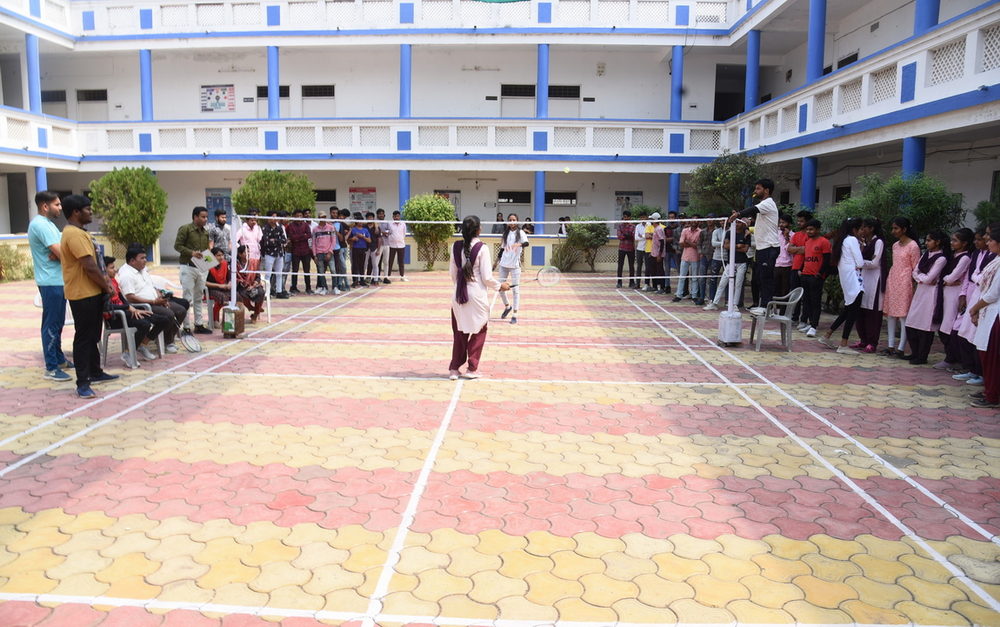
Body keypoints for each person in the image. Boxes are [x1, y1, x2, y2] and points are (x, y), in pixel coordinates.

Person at [58, 194, 118, 399]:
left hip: (93, 291)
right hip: (82, 294)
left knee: (93, 336)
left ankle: (95, 371)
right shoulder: (73, 234)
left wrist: (104, 284)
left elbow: (96, 264)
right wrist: (107, 286)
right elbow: (89, 266)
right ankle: (83, 383)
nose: (91, 212)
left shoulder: (82, 233)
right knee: (84, 337)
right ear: (76, 212)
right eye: (87, 209)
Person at [448, 216, 510, 380]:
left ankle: (454, 369)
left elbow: (452, 274)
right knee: (479, 330)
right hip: (476, 294)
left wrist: (460, 286)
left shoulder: (455, 246)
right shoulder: (482, 248)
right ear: (478, 230)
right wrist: (501, 286)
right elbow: (487, 278)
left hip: (458, 294)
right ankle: (472, 368)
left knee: (459, 331)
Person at [28, 190, 72, 381]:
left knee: (58, 322)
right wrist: (61, 253)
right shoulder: (40, 225)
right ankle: (52, 368)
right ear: (45, 206)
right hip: (50, 282)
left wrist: (61, 253)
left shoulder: (50, 224)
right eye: (57, 204)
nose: (60, 208)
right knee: (51, 324)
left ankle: (59, 359)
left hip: (58, 281)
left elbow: (63, 250)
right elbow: (63, 253)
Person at [117, 246, 190, 354]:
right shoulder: (127, 275)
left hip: (155, 301)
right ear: (132, 261)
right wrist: (154, 302)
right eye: (142, 258)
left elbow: (151, 287)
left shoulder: (143, 271)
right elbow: (130, 297)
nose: (145, 260)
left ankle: (167, 340)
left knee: (181, 310)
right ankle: (150, 341)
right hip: (143, 306)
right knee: (169, 314)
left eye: (145, 257)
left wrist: (160, 297)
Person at [104, 255, 164, 366]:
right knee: (144, 324)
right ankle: (128, 353)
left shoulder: (113, 281)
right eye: (112, 268)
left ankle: (142, 344)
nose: (115, 270)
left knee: (162, 320)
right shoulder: (102, 285)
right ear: (104, 270)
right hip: (115, 318)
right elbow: (106, 307)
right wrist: (127, 308)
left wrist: (133, 308)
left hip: (126, 313)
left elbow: (122, 298)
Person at [732, 178, 779, 314]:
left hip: (769, 247)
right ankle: (763, 305)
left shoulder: (768, 203)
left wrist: (738, 214)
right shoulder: (764, 205)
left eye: (758, 188)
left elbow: (753, 209)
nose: (755, 191)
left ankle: (766, 307)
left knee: (766, 278)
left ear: (766, 190)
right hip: (762, 248)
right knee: (760, 278)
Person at [904, 230, 951, 365]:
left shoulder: (941, 258)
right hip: (921, 291)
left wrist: (921, 278)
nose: (926, 243)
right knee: (911, 323)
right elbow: (915, 272)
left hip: (931, 294)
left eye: (929, 240)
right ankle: (914, 352)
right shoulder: (925, 254)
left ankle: (922, 356)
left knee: (925, 326)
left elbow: (931, 278)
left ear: (938, 242)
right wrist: (922, 278)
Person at [818, 218, 865, 354]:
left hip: (847, 279)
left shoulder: (842, 240)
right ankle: (843, 344)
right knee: (852, 313)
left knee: (847, 310)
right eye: (861, 229)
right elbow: (860, 263)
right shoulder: (852, 240)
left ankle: (827, 335)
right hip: (854, 281)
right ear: (854, 229)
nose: (862, 231)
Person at [954, 229, 994, 385]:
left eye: (982, 238)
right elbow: (971, 276)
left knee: (977, 337)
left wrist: (975, 277)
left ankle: (980, 373)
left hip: (982, 297)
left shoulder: (993, 257)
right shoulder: (976, 254)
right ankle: (971, 369)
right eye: (976, 239)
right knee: (964, 333)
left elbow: (981, 277)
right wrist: (963, 294)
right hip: (972, 294)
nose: (978, 241)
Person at [967, 224, 1000, 408]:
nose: (988, 243)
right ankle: (990, 389)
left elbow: (993, 294)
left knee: (992, 356)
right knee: (985, 353)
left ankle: (993, 395)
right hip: (988, 311)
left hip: (995, 313)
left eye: (991, 240)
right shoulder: (996, 259)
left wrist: (975, 308)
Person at [934, 228, 974, 370]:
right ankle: (951, 357)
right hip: (946, 292)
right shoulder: (952, 255)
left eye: (955, 240)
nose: (952, 243)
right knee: (943, 325)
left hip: (955, 294)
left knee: (949, 326)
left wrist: (945, 280)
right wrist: (946, 280)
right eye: (951, 240)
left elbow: (951, 277)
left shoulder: (965, 258)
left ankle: (952, 358)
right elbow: (946, 277)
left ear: (964, 243)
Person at [881, 217, 921, 357]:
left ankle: (901, 347)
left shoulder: (913, 246)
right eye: (893, 228)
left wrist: (914, 284)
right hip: (893, 280)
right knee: (891, 314)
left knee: (903, 315)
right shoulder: (895, 245)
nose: (893, 231)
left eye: (896, 228)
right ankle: (890, 345)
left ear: (904, 229)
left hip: (905, 282)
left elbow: (916, 267)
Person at [174, 206, 212, 334]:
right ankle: (186, 327)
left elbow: (206, 250)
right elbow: (177, 246)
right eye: (203, 217)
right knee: (187, 298)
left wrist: (209, 261)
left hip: (201, 267)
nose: (205, 219)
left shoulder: (205, 232)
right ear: (195, 217)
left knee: (199, 297)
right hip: (188, 266)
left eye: (206, 217)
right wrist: (192, 253)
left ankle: (199, 324)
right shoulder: (186, 229)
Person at [855, 217, 888, 353]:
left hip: (875, 279)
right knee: (861, 309)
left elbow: (875, 263)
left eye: (864, 227)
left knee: (872, 312)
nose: (862, 230)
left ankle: (872, 342)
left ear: (871, 228)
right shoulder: (865, 242)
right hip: (864, 278)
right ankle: (863, 339)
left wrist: (859, 262)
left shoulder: (878, 242)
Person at [703, 219, 750, 312]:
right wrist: (737, 246)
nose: (737, 224)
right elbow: (726, 246)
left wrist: (733, 247)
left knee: (738, 284)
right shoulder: (729, 233)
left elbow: (745, 249)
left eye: (739, 222)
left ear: (743, 224)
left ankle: (735, 304)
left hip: (742, 262)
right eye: (736, 222)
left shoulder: (746, 234)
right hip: (730, 262)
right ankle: (714, 303)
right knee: (722, 283)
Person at [796, 219, 831, 336]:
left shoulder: (824, 242)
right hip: (805, 275)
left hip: (816, 277)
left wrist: (820, 274)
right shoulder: (807, 242)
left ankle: (814, 326)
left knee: (815, 302)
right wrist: (801, 269)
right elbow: (806, 257)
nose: (809, 231)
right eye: (807, 229)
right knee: (806, 301)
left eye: (811, 229)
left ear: (818, 229)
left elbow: (827, 260)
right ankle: (808, 323)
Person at [497, 213, 529, 324]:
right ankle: (507, 306)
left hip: (515, 265)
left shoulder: (521, 232)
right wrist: (496, 262)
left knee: (515, 290)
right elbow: (502, 249)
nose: (512, 222)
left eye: (514, 220)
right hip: (503, 264)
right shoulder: (505, 233)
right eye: (510, 220)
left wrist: (518, 245)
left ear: (517, 221)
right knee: (500, 288)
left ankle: (515, 315)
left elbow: (526, 243)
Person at [788, 210, 812, 328]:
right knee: (795, 293)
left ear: (807, 222)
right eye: (798, 221)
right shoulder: (796, 235)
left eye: (801, 221)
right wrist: (800, 249)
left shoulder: (810, 235)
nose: (799, 223)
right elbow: (789, 249)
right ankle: (794, 317)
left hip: (805, 268)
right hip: (795, 267)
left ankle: (804, 319)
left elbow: (808, 250)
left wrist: (796, 249)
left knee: (806, 296)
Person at [260, 210, 288, 299]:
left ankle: (279, 291)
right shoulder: (265, 228)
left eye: (276, 217)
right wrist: (277, 241)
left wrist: (274, 240)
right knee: (268, 274)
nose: (275, 219)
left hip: (279, 253)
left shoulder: (279, 227)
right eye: (273, 217)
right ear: (268, 218)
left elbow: (284, 240)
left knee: (279, 273)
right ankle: (267, 293)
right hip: (269, 254)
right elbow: (266, 242)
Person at [673, 220, 702, 303]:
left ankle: (694, 295)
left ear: (698, 222)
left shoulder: (700, 232)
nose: (694, 222)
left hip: (695, 257)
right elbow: (681, 243)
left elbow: (698, 245)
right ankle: (679, 295)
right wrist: (692, 243)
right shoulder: (685, 230)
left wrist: (688, 242)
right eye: (692, 220)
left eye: (696, 220)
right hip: (685, 257)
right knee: (682, 277)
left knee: (694, 278)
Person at [235, 245, 266, 323]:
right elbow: (235, 278)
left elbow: (258, 276)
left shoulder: (254, 262)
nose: (248, 253)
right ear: (240, 254)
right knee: (241, 295)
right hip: (242, 286)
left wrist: (255, 283)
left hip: (253, 285)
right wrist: (244, 284)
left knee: (261, 292)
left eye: (249, 252)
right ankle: (253, 308)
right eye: (246, 252)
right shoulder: (235, 264)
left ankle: (255, 314)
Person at [286, 208, 314, 294]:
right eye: (297, 216)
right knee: (295, 270)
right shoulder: (291, 226)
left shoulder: (305, 225)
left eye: (300, 215)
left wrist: (298, 237)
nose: (299, 217)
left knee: (307, 270)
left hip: (306, 251)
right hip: (295, 251)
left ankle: (308, 288)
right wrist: (302, 236)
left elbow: (309, 235)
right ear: (294, 216)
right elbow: (292, 237)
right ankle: (293, 287)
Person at [312, 212, 338, 295]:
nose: (323, 218)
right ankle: (324, 288)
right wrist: (314, 255)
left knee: (333, 270)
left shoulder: (331, 228)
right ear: (319, 218)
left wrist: (330, 252)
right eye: (322, 217)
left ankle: (335, 287)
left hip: (329, 252)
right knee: (321, 272)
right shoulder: (315, 229)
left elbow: (333, 241)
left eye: (324, 216)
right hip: (319, 253)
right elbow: (313, 243)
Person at [205, 247, 231, 322]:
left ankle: (229, 320)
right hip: (211, 289)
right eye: (218, 255)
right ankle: (214, 320)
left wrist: (229, 283)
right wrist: (219, 286)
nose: (221, 257)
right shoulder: (207, 265)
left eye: (222, 255)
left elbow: (229, 277)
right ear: (212, 256)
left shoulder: (225, 264)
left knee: (236, 296)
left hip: (223, 287)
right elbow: (204, 282)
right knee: (222, 297)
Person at [235, 209, 262, 273]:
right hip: (246, 257)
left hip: (257, 256)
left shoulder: (258, 228)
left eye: (255, 220)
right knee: (247, 274)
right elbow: (234, 241)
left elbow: (260, 240)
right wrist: (241, 249)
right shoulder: (242, 229)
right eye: (252, 220)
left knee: (255, 274)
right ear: (247, 220)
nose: (254, 222)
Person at [349, 212, 372, 287]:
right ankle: (355, 281)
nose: (361, 223)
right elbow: (349, 239)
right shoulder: (353, 229)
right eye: (359, 221)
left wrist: (362, 237)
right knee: (355, 265)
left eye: (362, 221)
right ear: (356, 222)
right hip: (355, 249)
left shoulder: (365, 230)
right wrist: (353, 239)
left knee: (362, 265)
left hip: (363, 249)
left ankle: (362, 280)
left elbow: (369, 240)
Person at [773, 214, 793, 299]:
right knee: (775, 288)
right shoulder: (776, 234)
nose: (781, 224)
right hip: (776, 264)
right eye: (780, 222)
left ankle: (783, 306)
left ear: (789, 224)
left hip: (788, 265)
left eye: (783, 223)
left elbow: (790, 250)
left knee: (785, 289)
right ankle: (776, 305)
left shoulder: (793, 235)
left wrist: (787, 237)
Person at [615, 210, 636, 289]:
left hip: (631, 248)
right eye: (624, 217)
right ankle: (619, 282)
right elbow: (619, 236)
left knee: (631, 266)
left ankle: (632, 282)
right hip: (622, 248)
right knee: (620, 265)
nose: (625, 218)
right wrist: (627, 236)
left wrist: (626, 235)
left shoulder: (633, 226)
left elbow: (633, 236)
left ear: (630, 218)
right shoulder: (620, 226)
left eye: (627, 217)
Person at [387, 210, 408, 281]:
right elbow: (388, 233)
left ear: (399, 217)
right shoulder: (389, 224)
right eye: (395, 216)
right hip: (391, 245)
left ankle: (402, 276)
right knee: (390, 261)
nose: (396, 218)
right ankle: (388, 276)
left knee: (401, 262)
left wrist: (399, 239)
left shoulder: (403, 224)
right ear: (393, 217)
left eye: (398, 216)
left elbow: (404, 234)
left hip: (401, 245)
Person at [633, 210, 649, 290]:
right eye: (641, 217)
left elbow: (650, 236)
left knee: (647, 267)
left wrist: (641, 236)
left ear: (647, 217)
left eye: (644, 217)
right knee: (639, 266)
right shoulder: (638, 226)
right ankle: (637, 283)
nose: (643, 219)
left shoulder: (650, 225)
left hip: (648, 248)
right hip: (639, 248)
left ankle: (647, 284)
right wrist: (645, 236)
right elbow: (636, 238)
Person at [375, 208, 392, 284]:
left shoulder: (386, 222)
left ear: (384, 215)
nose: (381, 215)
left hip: (386, 244)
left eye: (382, 214)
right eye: (380, 214)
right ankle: (375, 278)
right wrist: (383, 232)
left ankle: (386, 277)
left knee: (386, 261)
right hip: (378, 245)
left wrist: (383, 232)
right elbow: (376, 232)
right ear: (377, 215)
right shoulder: (375, 223)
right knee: (376, 262)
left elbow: (390, 231)